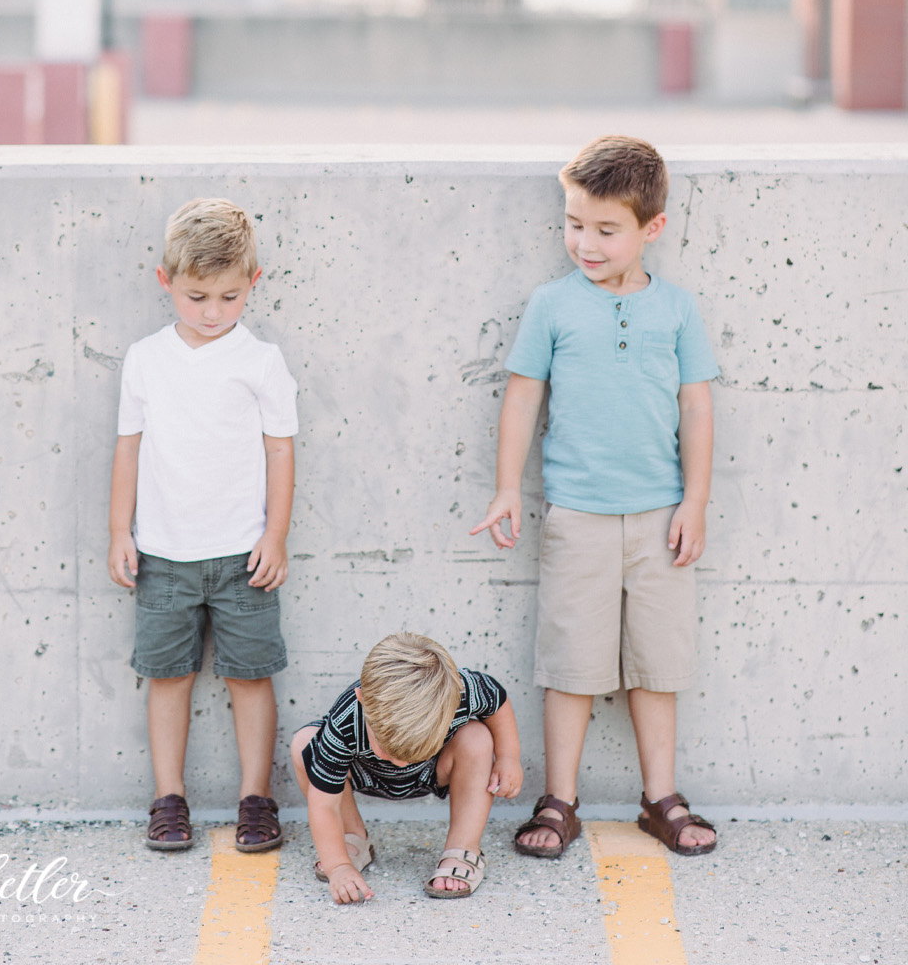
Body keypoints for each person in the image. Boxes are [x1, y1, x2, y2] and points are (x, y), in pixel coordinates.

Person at [471, 135, 719, 859]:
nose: (585, 241)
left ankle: (660, 797)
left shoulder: (676, 310)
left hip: (660, 516)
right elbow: (522, 398)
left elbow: (697, 408)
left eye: (606, 229)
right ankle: (560, 801)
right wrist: (506, 487)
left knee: (657, 664)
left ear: (652, 229)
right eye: (574, 223)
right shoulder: (552, 305)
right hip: (576, 515)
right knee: (571, 664)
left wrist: (695, 501)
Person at [108, 198, 298, 853]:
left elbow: (280, 449)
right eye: (196, 296)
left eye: (227, 296)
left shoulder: (261, 361)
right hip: (163, 554)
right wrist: (119, 532)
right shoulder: (146, 359)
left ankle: (256, 798)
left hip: (245, 556)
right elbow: (128, 448)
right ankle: (169, 798)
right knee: (170, 677)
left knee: (250, 675)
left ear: (254, 282)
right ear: (165, 282)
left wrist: (275, 535)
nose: (212, 312)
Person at [290, 632, 522, 903]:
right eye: (387, 748)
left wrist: (508, 756)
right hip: (365, 773)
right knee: (305, 743)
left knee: (478, 737)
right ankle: (350, 838)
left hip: (433, 771)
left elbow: (498, 700)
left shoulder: (461, 691)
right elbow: (324, 806)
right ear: (363, 699)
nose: (401, 761)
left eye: (415, 749)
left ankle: (463, 848)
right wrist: (338, 867)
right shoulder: (345, 721)